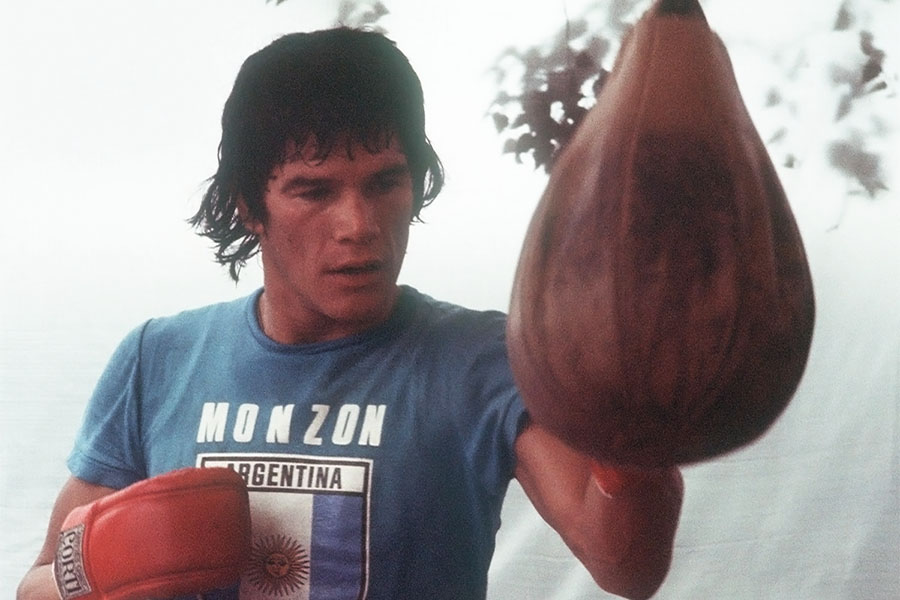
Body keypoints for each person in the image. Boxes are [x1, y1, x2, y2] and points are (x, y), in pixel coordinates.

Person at [17, 28, 682, 600]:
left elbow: (627, 566)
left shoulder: (487, 359)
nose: (359, 225)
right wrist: (99, 571)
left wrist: (637, 437)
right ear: (248, 206)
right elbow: (37, 584)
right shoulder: (158, 359)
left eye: (385, 183)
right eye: (314, 190)